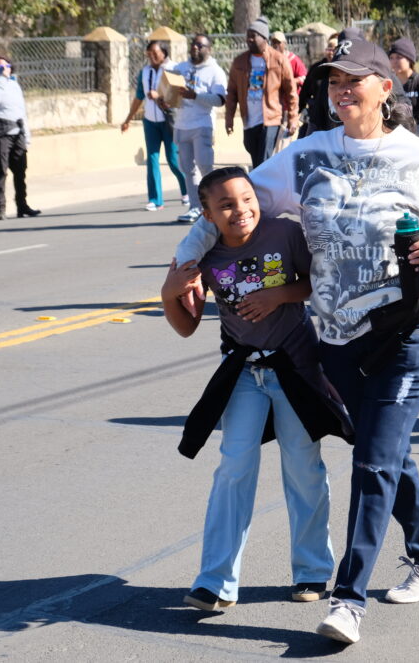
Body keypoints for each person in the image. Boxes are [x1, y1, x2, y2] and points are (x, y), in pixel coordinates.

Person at [174, 39, 419, 645]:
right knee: (381, 449)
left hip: (413, 327)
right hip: (337, 336)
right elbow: (234, 203)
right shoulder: (306, 155)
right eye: (334, 81)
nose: (341, 90)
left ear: (386, 89)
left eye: (355, 80)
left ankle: (349, 599)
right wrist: (187, 261)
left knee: (372, 460)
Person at [161, 167, 350, 611]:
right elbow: (186, 326)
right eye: (225, 204)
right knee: (233, 470)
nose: (240, 210)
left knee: (304, 470)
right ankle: (215, 582)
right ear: (207, 214)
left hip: (296, 369)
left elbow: (321, 285)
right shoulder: (203, 258)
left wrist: (280, 295)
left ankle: (312, 571)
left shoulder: (284, 234)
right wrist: (169, 293)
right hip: (245, 372)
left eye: (246, 199)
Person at [121, 40, 189, 212]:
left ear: (164, 53)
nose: (152, 57)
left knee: (173, 160)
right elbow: (138, 97)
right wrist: (128, 119)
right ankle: (155, 199)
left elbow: (178, 96)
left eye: (155, 53)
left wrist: (159, 95)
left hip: (170, 120)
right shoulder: (144, 72)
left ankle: (187, 190)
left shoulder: (174, 69)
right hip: (151, 120)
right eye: (149, 54)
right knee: (152, 159)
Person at [168, 34, 228, 224]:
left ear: (208, 49)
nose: (195, 48)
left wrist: (196, 96)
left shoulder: (215, 71)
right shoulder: (180, 68)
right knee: (187, 168)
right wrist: (165, 100)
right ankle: (195, 207)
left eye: (200, 45)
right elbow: (169, 93)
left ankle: (214, 206)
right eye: (193, 44)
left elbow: (219, 100)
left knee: (205, 166)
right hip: (181, 124)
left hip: (202, 124)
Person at [225, 17, 299, 167]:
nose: (249, 39)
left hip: (271, 118)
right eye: (248, 36)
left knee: (263, 161)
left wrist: (293, 117)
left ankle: (260, 188)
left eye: (253, 36)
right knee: (255, 157)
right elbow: (232, 93)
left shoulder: (279, 60)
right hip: (249, 120)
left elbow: (291, 91)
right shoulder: (239, 62)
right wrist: (229, 118)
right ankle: (265, 186)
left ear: (264, 37)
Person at [0, 55, 40, 220]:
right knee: (0, 172)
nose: (4, 69)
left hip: (17, 131)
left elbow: (21, 110)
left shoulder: (14, 85)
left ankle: (22, 205)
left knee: (20, 171)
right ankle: (1, 208)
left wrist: (26, 134)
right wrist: (1, 79)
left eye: (6, 66)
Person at [388, 37, 419, 140]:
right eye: (391, 57)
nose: (394, 61)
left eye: (398, 57)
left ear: (409, 59)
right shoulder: (389, 84)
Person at [299, 35, 339, 138]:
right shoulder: (316, 68)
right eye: (329, 49)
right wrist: (298, 111)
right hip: (316, 116)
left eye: (334, 49)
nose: (331, 52)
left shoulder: (344, 71)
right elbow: (304, 92)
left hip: (336, 119)